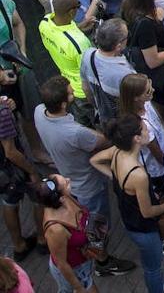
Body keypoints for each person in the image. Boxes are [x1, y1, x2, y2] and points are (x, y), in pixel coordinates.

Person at [34, 76, 136, 278]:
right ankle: (103, 261)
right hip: (89, 185)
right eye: (71, 92)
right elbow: (103, 141)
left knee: (86, 223)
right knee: (96, 228)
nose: (74, 92)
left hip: (70, 180)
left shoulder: (39, 112)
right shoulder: (75, 133)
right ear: (64, 103)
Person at [89, 114, 164, 293]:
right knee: (153, 267)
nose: (148, 130)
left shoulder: (117, 151)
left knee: (152, 263)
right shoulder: (137, 175)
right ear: (137, 138)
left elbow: (94, 160)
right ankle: (158, 288)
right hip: (142, 228)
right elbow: (148, 212)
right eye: (144, 128)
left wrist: (116, 177)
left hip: (130, 219)